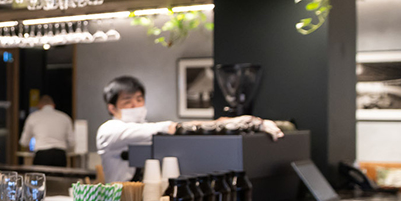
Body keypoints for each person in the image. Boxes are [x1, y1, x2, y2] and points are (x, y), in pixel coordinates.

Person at [96, 75, 283, 184]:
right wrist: (242, 122)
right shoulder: (110, 130)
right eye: (128, 102)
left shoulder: (143, 125)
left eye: (139, 99)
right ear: (112, 108)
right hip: (118, 200)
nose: (135, 105)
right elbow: (170, 128)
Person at [19, 95, 74, 167]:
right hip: (60, 155)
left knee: (41, 177)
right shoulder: (65, 117)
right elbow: (72, 142)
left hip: (42, 154)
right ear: (53, 105)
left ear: (39, 106)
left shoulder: (33, 117)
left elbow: (24, 142)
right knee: (59, 178)